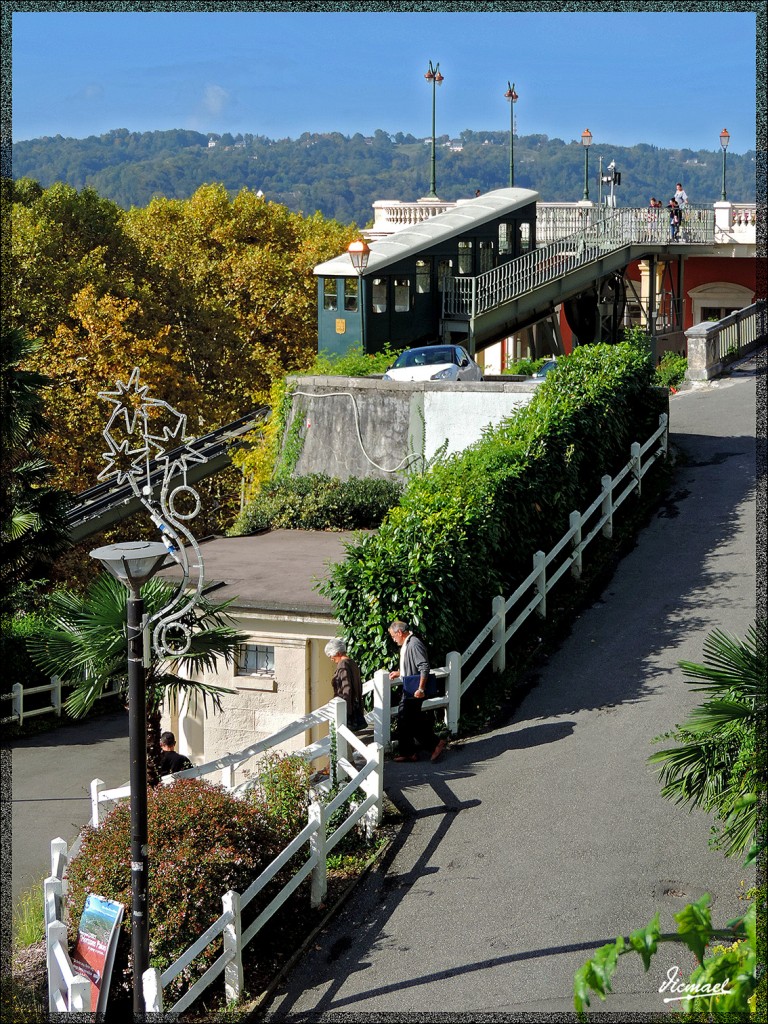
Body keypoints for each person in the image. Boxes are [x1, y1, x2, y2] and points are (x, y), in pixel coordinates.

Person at [388, 619, 447, 763]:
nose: (394, 640)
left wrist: (421, 688)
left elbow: (423, 666)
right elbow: (411, 664)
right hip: (410, 688)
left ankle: (435, 744)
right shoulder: (409, 643)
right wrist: (400, 672)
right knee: (406, 720)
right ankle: (409, 752)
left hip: (414, 690)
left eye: (393, 636)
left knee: (409, 720)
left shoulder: (414, 644)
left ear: (400, 632)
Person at [324, 638, 366, 731]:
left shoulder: (342, 664)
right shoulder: (352, 662)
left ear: (338, 653)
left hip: (348, 709)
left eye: (331, 656)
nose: (331, 659)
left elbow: (346, 688)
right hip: (356, 706)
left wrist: (346, 711)